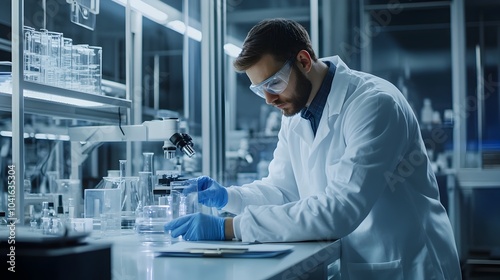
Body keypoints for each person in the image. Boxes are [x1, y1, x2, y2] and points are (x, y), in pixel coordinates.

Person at [164, 18, 461, 279]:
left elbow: (340, 209)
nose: (269, 99)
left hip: (408, 264)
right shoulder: (295, 114)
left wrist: (230, 229)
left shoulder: (374, 104)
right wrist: (230, 198)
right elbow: (283, 191)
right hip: (360, 263)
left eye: (274, 83)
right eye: (259, 89)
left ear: (304, 61)